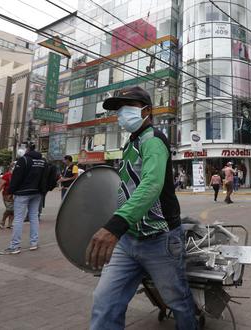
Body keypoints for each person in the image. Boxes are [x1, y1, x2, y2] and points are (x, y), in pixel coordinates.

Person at [86, 86, 196, 329]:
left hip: (160, 240)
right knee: (105, 300)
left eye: (127, 107)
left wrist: (115, 226)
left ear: (147, 110)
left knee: (177, 301)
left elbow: (151, 185)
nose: (121, 114)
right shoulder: (130, 144)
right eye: (118, 110)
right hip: (127, 240)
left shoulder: (154, 140)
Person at [0, 143, 46, 255]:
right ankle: (34, 243)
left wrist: (11, 191)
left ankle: (14, 246)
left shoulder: (23, 160)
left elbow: (16, 177)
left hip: (23, 193)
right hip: (37, 192)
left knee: (18, 218)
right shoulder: (43, 161)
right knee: (34, 217)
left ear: (27, 150)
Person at [0, 163, 14, 229]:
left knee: (14, 210)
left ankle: (10, 224)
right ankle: (2, 221)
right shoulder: (7, 175)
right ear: (11, 167)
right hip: (7, 195)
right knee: (10, 209)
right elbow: (0, 185)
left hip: (16, 195)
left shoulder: (19, 175)